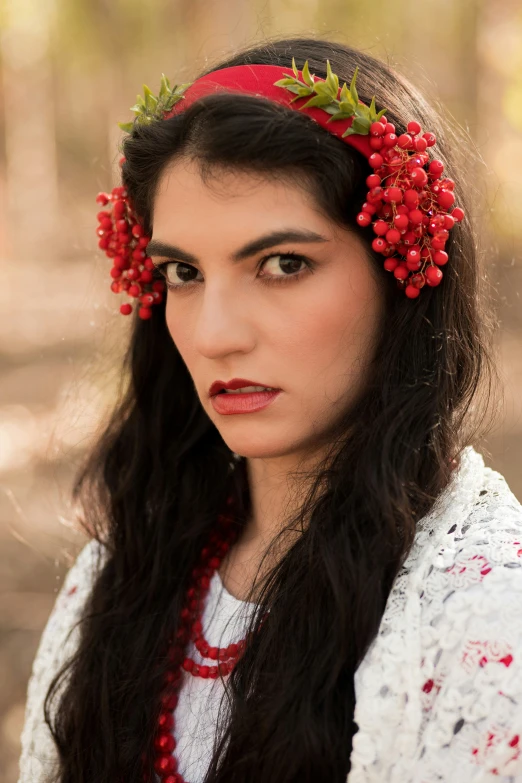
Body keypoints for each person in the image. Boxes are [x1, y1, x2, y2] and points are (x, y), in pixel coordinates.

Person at [18, 36, 522, 783]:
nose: (217, 333)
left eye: (283, 264)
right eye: (184, 272)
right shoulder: (118, 575)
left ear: (402, 268)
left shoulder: (482, 607)